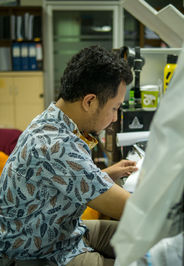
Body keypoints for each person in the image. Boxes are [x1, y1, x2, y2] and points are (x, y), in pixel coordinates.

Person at [0, 45, 137, 266]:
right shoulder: (57, 146)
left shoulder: (51, 120)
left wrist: (105, 174)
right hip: (39, 252)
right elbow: (131, 210)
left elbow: (66, 177)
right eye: (114, 108)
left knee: (143, 239)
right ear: (89, 101)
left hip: (62, 230)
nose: (114, 118)